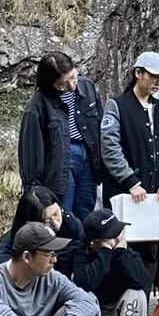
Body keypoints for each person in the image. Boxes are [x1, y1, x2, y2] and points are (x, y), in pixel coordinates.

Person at [17, 51, 105, 219]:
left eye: (73, 77)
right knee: (64, 215)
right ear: (50, 83)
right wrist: (34, 187)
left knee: (86, 211)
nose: (71, 85)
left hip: (89, 158)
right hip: (60, 162)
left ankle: (81, 245)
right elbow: (31, 148)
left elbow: (100, 126)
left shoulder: (88, 87)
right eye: (63, 84)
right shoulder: (39, 102)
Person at [100, 51, 159, 209]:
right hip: (123, 194)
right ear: (138, 73)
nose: (158, 82)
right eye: (153, 76)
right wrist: (130, 181)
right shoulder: (117, 105)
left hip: (157, 195)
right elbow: (110, 147)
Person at [0, 185, 83, 277]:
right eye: (47, 221)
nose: (56, 223)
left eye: (56, 213)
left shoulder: (72, 227)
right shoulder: (14, 243)